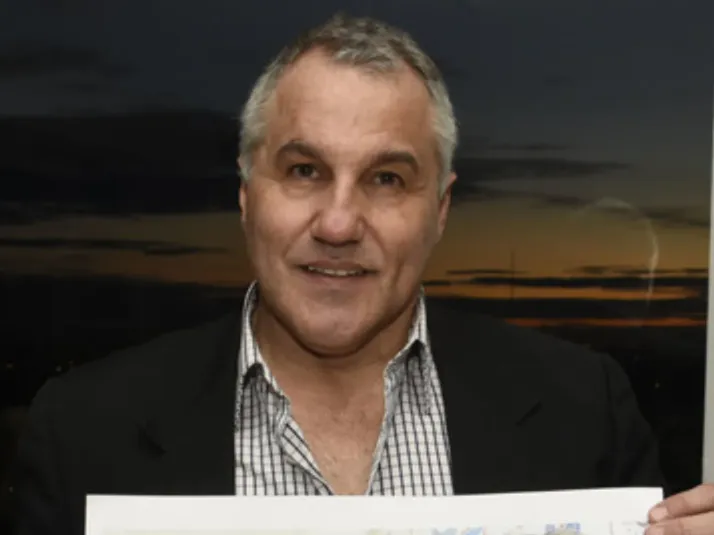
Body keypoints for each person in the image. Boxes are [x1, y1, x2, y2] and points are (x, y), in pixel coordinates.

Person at [9, 12, 714, 535]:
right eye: (304, 170)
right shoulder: (83, 433)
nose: (340, 223)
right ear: (247, 196)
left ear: (440, 210)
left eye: (387, 178)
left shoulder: (585, 411)